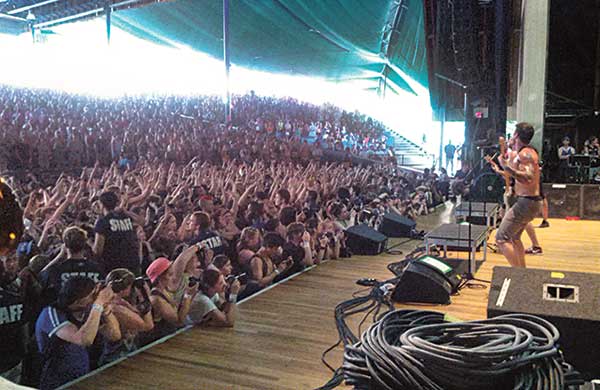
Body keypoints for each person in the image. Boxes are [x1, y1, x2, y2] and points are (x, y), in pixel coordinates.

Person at [35, 276, 120, 390]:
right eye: (91, 295)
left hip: (82, 377)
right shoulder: (51, 313)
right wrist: (98, 303)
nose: (95, 297)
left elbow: (114, 335)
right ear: (78, 301)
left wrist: (105, 310)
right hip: (56, 381)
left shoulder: (88, 312)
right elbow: (83, 339)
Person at [491, 123, 543, 268]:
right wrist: (504, 165)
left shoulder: (525, 153)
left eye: (513, 133)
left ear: (516, 135)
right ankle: (522, 273)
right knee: (514, 238)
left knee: (501, 238)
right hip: (527, 201)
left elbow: (528, 177)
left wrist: (506, 167)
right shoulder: (524, 153)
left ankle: (517, 274)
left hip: (527, 202)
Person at [93, 191, 139, 274]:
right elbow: (142, 222)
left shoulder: (103, 222)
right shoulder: (126, 218)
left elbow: (98, 250)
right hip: (132, 264)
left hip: (113, 267)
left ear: (102, 205)